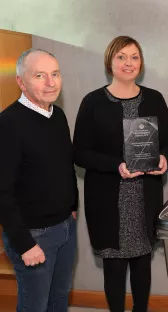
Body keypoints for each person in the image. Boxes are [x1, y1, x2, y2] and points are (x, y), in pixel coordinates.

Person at [73, 36, 168, 312]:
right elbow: (80, 153)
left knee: (143, 267)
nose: (128, 63)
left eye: (134, 57)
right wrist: (115, 165)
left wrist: (165, 156)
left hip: (145, 197)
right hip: (109, 201)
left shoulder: (154, 99)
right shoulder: (93, 102)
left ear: (141, 63)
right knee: (114, 269)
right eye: (121, 57)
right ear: (110, 62)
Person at [0, 48, 78, 312]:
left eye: (55, 74)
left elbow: (65, 165)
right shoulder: (8, 124)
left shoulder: (58, 116)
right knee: (35, 306)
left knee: (59, 299)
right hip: (34, 235)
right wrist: (25, 243)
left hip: (65, 227)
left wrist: (72, 206)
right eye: (40, 75)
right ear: (21, 82)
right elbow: (2, 191)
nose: (51, 82)